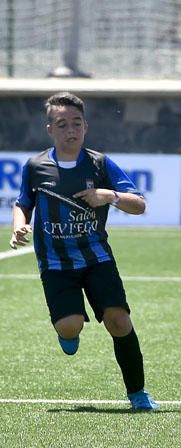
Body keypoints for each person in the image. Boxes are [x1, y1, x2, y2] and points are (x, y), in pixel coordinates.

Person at [8, 92, 156, 410]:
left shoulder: (100, 164)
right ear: (50, 129)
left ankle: (138, 394)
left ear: (86, 126)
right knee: (69, 325)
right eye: (62, 124)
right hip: (55, 262)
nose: (70, 130)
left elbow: (140, 205)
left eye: (76, 123)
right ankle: (69, 332)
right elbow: (22, 203)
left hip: (96, 258)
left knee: (119, 321)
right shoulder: (36, 167)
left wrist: (109, 196)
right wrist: (19, 225)